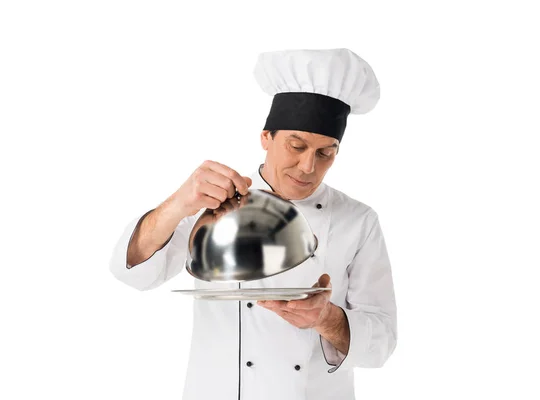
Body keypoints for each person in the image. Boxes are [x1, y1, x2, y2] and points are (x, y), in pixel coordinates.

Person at [109, 48, 397, 400]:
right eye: (296, 145)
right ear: (266, 137)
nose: (308, 166)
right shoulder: (216, 201)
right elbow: (133, 272)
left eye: (326, 152)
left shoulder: (359, 220)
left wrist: (325, 318)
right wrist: (178, 203)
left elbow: (381, 341)